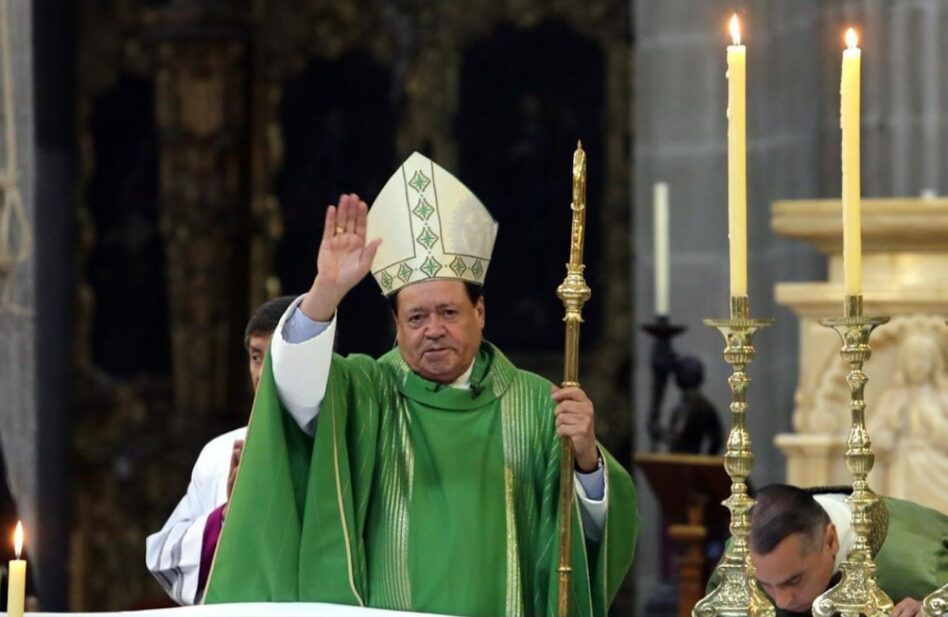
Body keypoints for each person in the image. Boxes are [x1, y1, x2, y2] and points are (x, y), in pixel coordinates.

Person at [205, 152, 639, 617]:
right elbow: (291, 392)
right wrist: (325, 293)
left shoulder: (538, 405)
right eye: (417, 316)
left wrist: (588, 462)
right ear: (396, 323)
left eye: (449, 312)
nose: (433, 328)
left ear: (480, 312)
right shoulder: (366, 393)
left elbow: (586, 544)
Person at [145, 295, 296, 605]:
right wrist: (228, 513)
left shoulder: (339, 443)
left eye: (277, 355)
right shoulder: (218, 454)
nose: (262, 371)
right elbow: (167, 559)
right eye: (256, 356)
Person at [709, 484, 948, 617]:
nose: (782, 602)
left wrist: (937, 610)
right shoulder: (738, 559)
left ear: (830, 540)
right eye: (764, 584)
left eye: (794, 580)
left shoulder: (923, 563)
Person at [871, 334, 948, 514]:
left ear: (934, 363)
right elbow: (875, 433)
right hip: (903, 462)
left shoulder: (941, 397)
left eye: (924, 359)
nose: (918, 365)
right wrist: (885, 437)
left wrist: (933, 420)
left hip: (937, 462)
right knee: (907, 466)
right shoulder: (894, 397)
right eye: (914, 358)